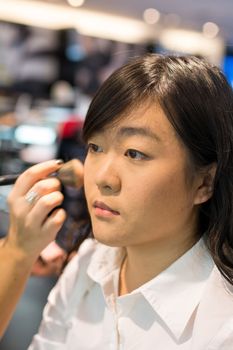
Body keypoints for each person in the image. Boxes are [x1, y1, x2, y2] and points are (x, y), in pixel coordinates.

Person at [1, 53, 233, 348]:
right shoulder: (88, 265)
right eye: (95, 147)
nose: (102, 178)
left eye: (135, 153)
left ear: (204, 182)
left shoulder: (221, 328)